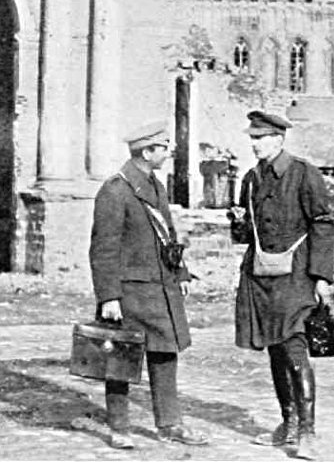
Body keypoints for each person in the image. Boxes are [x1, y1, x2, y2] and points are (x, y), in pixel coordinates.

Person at [89, 120, 209, 450]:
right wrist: (108, 297)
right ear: (146, 152)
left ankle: (170, 424)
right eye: (164, 147)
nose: (169, 153)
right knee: (120, 358)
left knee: (165, 354)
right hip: (129, 292)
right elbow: (103, 248)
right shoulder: (116, 189)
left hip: (160, 288)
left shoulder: (155, 186)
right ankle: (119, 427)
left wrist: (181, 273)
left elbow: (168, 235)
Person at [230, 110, 334, 460]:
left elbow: (323, 224)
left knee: (294, 348)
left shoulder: (304, 174)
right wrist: (237, 222)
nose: (254, 145)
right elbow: (245, 235)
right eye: (252, 138)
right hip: (261, 277)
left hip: (296, 276)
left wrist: (321, 276)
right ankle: (288, 424)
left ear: (279, 139)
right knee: (275, 348)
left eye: (260, 138)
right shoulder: (251, 179)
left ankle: (307, 433)